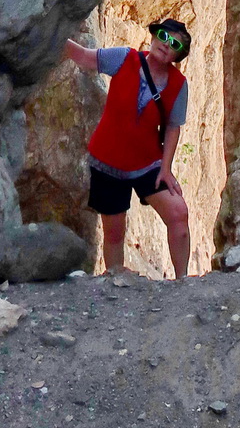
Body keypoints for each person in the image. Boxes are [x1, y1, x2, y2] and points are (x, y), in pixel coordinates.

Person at [64, 19, 192, 278]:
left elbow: (172, 128)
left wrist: (166, 169)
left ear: (177, 56)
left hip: (147, 163)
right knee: (114, 232)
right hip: (107, 161)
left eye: (174, 44)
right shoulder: (124, 59)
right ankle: (115, 282)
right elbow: (85, 58)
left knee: (178, 213)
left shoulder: (178, 85)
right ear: (154, 36)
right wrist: (51, 33)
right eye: (164, 37)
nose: (166, 45)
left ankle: (183, 282)